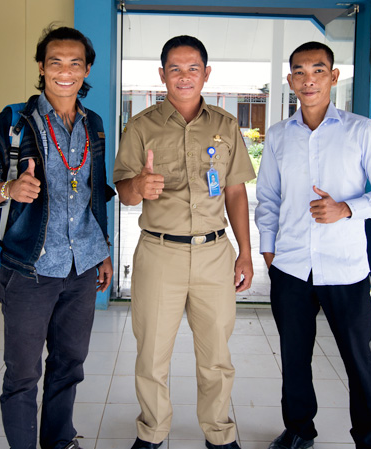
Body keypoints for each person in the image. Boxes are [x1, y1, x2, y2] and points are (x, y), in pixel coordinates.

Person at [0, 26, 114, 449]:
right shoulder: (15, 121)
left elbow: (93, 194)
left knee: (70, 365)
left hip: (82, 268)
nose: (65, 71)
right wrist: (5, 190)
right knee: (23, 373)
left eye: (75, 63)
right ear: (41, 68)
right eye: (55, 62)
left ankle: (60, 440)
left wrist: (102, 252)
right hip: (30, 268)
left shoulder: (94, 124)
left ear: (86, 69)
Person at [255, 41, 371, 449]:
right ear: (290, 81)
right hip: (291, 266)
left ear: (334, 77)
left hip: (345, 267)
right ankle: (300, 429)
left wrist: (347, 209)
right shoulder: (279, 135)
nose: (308, 80)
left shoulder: (360, 129)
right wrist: (269, 250)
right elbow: (267, 197)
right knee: (294, 360)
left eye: (318, 70)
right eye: (299, 72)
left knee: (358, 360)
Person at [113, 35, 255, 449]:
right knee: (152, 353)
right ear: (162, 75)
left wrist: (245, 252)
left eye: (193, 68)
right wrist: (138, 184)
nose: (184, 76)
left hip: (214, 254)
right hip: (159, 253)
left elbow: (235, 193)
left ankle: (219, 433)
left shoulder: (226, 126)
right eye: (175, 68)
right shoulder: (141, 126)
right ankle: (152, 431)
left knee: (216, 355)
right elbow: (123, 191)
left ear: (206, 74)